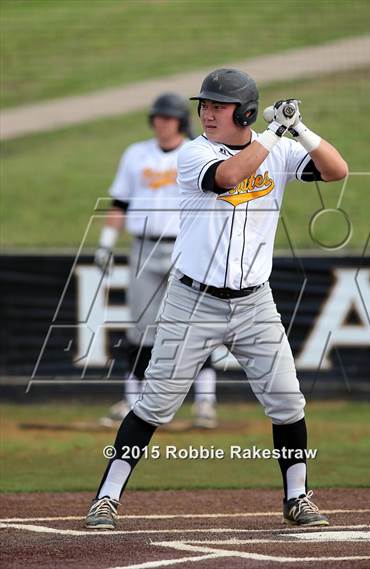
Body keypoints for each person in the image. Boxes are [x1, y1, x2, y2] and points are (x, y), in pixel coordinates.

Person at [86, 69, 348, 530]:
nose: (206, 112)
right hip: (193, 300)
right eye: (203, 105)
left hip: (255, 303)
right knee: (155, 404)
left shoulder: (280, 149)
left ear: (244, 112)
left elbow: (336, 170)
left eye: (217, 106)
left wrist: (299, 128)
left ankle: (297, 498)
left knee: (288, 401)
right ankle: (106, 498)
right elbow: (228, 177)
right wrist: (272, 130)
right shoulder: (195, 153)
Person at [94, 92, 217, 430]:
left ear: (180, 120)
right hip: (144, 247)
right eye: (158, 117)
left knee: (195, 327)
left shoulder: (196, 153)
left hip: (187, 248)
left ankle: (205, 401)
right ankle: (132, 400)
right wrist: (106, 242)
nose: (162, 123)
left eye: (168, 117)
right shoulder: (136, 154)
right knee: (141, 327)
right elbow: (120, 202)